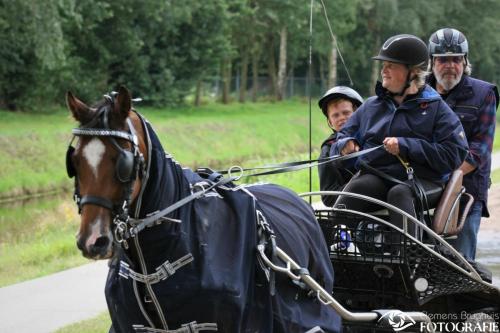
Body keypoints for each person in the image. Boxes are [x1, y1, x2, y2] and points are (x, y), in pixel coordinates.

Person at [330, 34, 469, 240]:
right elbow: (340, 138)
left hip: (423, 181)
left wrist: (406, 146)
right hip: (379, 177)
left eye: (390, 65)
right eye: (383, 65)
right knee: (357, 188)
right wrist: (343, 146)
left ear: (413, 73)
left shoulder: (436, 109)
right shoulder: (370, 106)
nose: (383, 71)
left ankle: (407, 258)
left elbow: (454, 154)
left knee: (399, 193)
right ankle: (332, 249)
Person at [427, 28, 499, 260]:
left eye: (456, 59)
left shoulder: (484, 93)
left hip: (466, 192)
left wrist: (450, 178)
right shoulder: (418, 91)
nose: (450, 65)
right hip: (422, 190)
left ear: (465, 61)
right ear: (432, 62)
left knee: (461, 264)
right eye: (443, 59)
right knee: (422, 258)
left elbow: (481, 151)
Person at [317, 86, 364, 206]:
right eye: (335, 115)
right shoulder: (328, 149)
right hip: (354, 210)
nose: (342, 118)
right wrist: (359, 184)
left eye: (346, 113)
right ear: (330, 122)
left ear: (358, 113)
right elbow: (328, 197)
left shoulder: (373, 137)